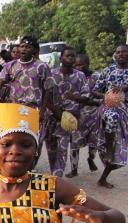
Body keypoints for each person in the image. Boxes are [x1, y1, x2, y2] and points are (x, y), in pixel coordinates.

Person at [40, 47, 90, 177]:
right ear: (61, 58)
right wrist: (55, 111)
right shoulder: (52, 74)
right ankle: (54, 176)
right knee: (51, 151)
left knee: (62, 151)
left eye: (73, 56)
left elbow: (86, 96)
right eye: (67, 56)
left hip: (67, 121)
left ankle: (57, 180)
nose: (70, 58)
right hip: (51, 118)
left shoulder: (80, 76)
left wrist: (75, 99)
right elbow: (44, 94)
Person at [92, 44, 128, 189]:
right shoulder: (107, 71)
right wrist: (107, 96)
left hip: (125, 110)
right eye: (118, 52)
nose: (120, 54)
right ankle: (108, 150)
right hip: (110, 108)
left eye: (124, 52)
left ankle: (102, 179)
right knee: (112, 118)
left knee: (121, 151)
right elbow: (95, 91)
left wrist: (124, 88)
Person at [72, 53, 101, 174]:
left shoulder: (97, 77)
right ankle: (74, 169)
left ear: (87, 64)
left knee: (93, 141)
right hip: (79, 114)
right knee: (74, 141)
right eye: (76, 65)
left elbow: (102, 96)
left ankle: (91, 158)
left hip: (94, 114)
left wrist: (90, 101)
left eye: (81, 65)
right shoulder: (75, 77)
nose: (78, 67)